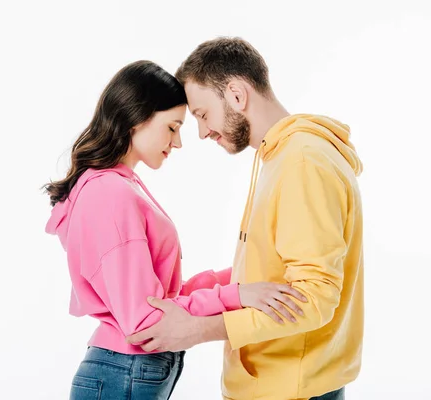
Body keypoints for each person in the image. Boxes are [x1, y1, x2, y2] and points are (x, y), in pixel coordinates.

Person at [44, 60, 307, 400]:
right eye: (172, 127)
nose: (179, 142)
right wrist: (235, 295)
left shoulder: (120, 186)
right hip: (123, 373)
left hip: (126, 371)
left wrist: (241, 276)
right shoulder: (110, 193)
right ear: (136, 117)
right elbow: (146, 320)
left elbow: (161, 297)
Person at [127, 37, 364, 400]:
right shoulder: (280, 156)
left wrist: (197, 329)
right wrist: (199, 293)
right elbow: (275, 272)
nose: (203, 132)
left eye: (202, 115)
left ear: (237, 94)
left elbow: (314, 298)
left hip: (289, 390)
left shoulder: (302, 161)